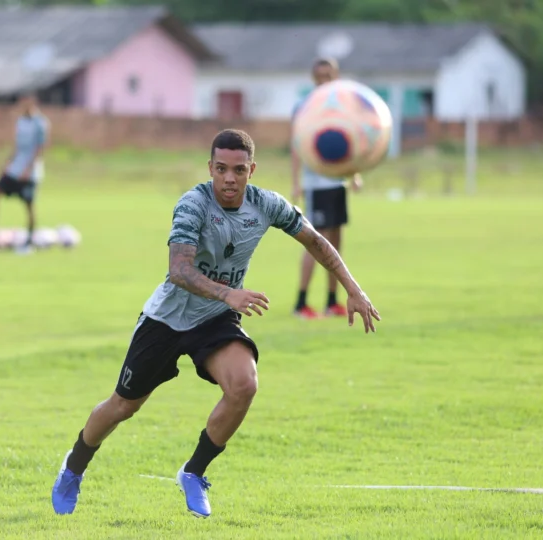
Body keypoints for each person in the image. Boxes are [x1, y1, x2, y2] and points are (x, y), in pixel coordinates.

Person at [51, 129, 382, 518]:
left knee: (244, 384)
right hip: (167, 318)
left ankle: (193, 472)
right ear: (210, 167)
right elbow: (179, 270)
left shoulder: (267, 204)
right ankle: (73, 467)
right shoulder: (192, 204)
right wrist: (229, 294)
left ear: (251, 171)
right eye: (221, 169)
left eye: (238, 170)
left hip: (214, 318)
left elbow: (316, 241)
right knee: (123, 406)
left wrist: (353, 289)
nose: (229, 178)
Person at [291, 58, 364, 319]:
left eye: (328, 75)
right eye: (319, 75)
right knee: (315, 242)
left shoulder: (342, 107)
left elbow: (350, 142)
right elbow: (297, 146)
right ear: (314, 78)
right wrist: (296, 182)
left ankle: (332, 301)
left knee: (335, 243)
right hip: (316, 185)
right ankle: (301, 303)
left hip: (337, 182)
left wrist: (354, 174)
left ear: (335, 77)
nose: (323, 80)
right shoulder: (305, 106)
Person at [0, 92, 49, 254]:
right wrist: (7, 164)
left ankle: (30, 239)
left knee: (29, 204)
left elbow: (40, 148)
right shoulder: (21, 121)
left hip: (30, 171)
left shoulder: (40, 123)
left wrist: (28, 169)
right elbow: (17, 146)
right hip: (15, 168)